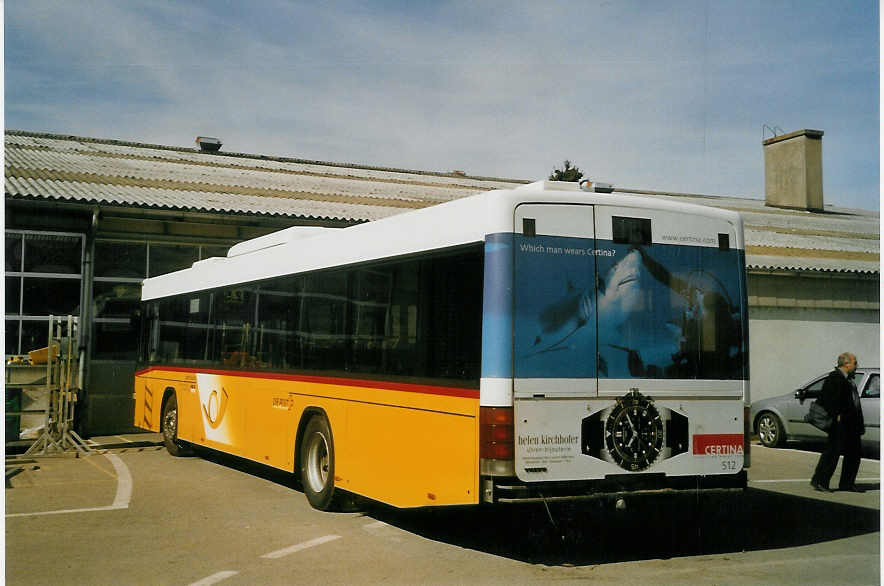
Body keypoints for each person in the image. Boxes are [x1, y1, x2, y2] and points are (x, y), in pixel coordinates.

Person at [810, 352, 865, 492]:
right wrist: (837, 417)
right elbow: (830, 400)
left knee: (854, 454)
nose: (857, 365)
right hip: (840, 424)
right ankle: (820, 481)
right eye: (855, 362)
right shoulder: (835, 378)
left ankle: (847, 483)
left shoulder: (847, 379)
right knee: (832, 452)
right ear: (846, 364)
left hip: (852, 424)